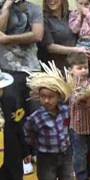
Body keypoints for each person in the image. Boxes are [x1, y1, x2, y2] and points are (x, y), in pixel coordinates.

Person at [0, 0, 44, 178]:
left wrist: (7, 39)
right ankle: (22, 157)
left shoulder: (34, 8)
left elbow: (37, 35)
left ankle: (36, 154)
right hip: (8, 72)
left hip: (32, 69)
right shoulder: (3, 7)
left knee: (36, 114)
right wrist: (7, 6)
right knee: (14, 117)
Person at [23, 62, 74, 180]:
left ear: (59, 97)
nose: (46, 100)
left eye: (51, 97)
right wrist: (31, 149)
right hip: (45, 157)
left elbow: (69, 129)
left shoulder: (66, 111)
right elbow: (28, 133)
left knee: (68, 176)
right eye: (43, 96)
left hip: (65, 154)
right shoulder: (36, 117)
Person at [67, 53, 90, 179]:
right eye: (79, 68)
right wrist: (89, 95)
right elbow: (77, 99)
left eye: (85, 67)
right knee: (80, 153)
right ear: (71, 70)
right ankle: (81, 174)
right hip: (78, 127)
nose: (83, 71)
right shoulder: (70, 86)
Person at [38, 0, 90, 70]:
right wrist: (76, 50)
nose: (51, 1)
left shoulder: (72, 15)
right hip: (54, 69)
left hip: (75, 67)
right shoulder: (42, 18)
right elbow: (49, 47)